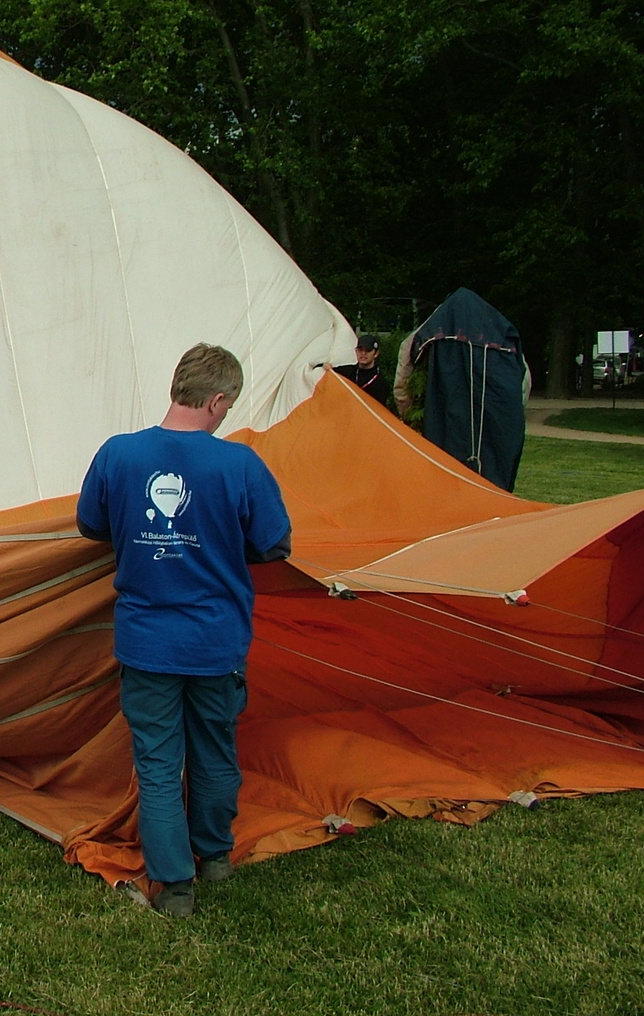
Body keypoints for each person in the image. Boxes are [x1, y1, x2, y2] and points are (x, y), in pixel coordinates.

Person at [76, 344, 291, 918]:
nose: (225, 418)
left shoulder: (118, 455)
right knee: (216, 751)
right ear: (217, 400)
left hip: (147, 639)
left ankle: (175, 887)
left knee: (157, 762)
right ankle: (215, 856)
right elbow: (275, 544)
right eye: (228, 407)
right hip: (216, 641)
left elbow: (90, 525)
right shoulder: (240, 464)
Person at [335, 332, 390, 408]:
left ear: (376, 353)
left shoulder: (380, 381)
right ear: (356, 351)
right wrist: (326, 366)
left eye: (368, 350)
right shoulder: (347, 371)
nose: (363, 353)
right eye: (360, 350)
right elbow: (323, 371)